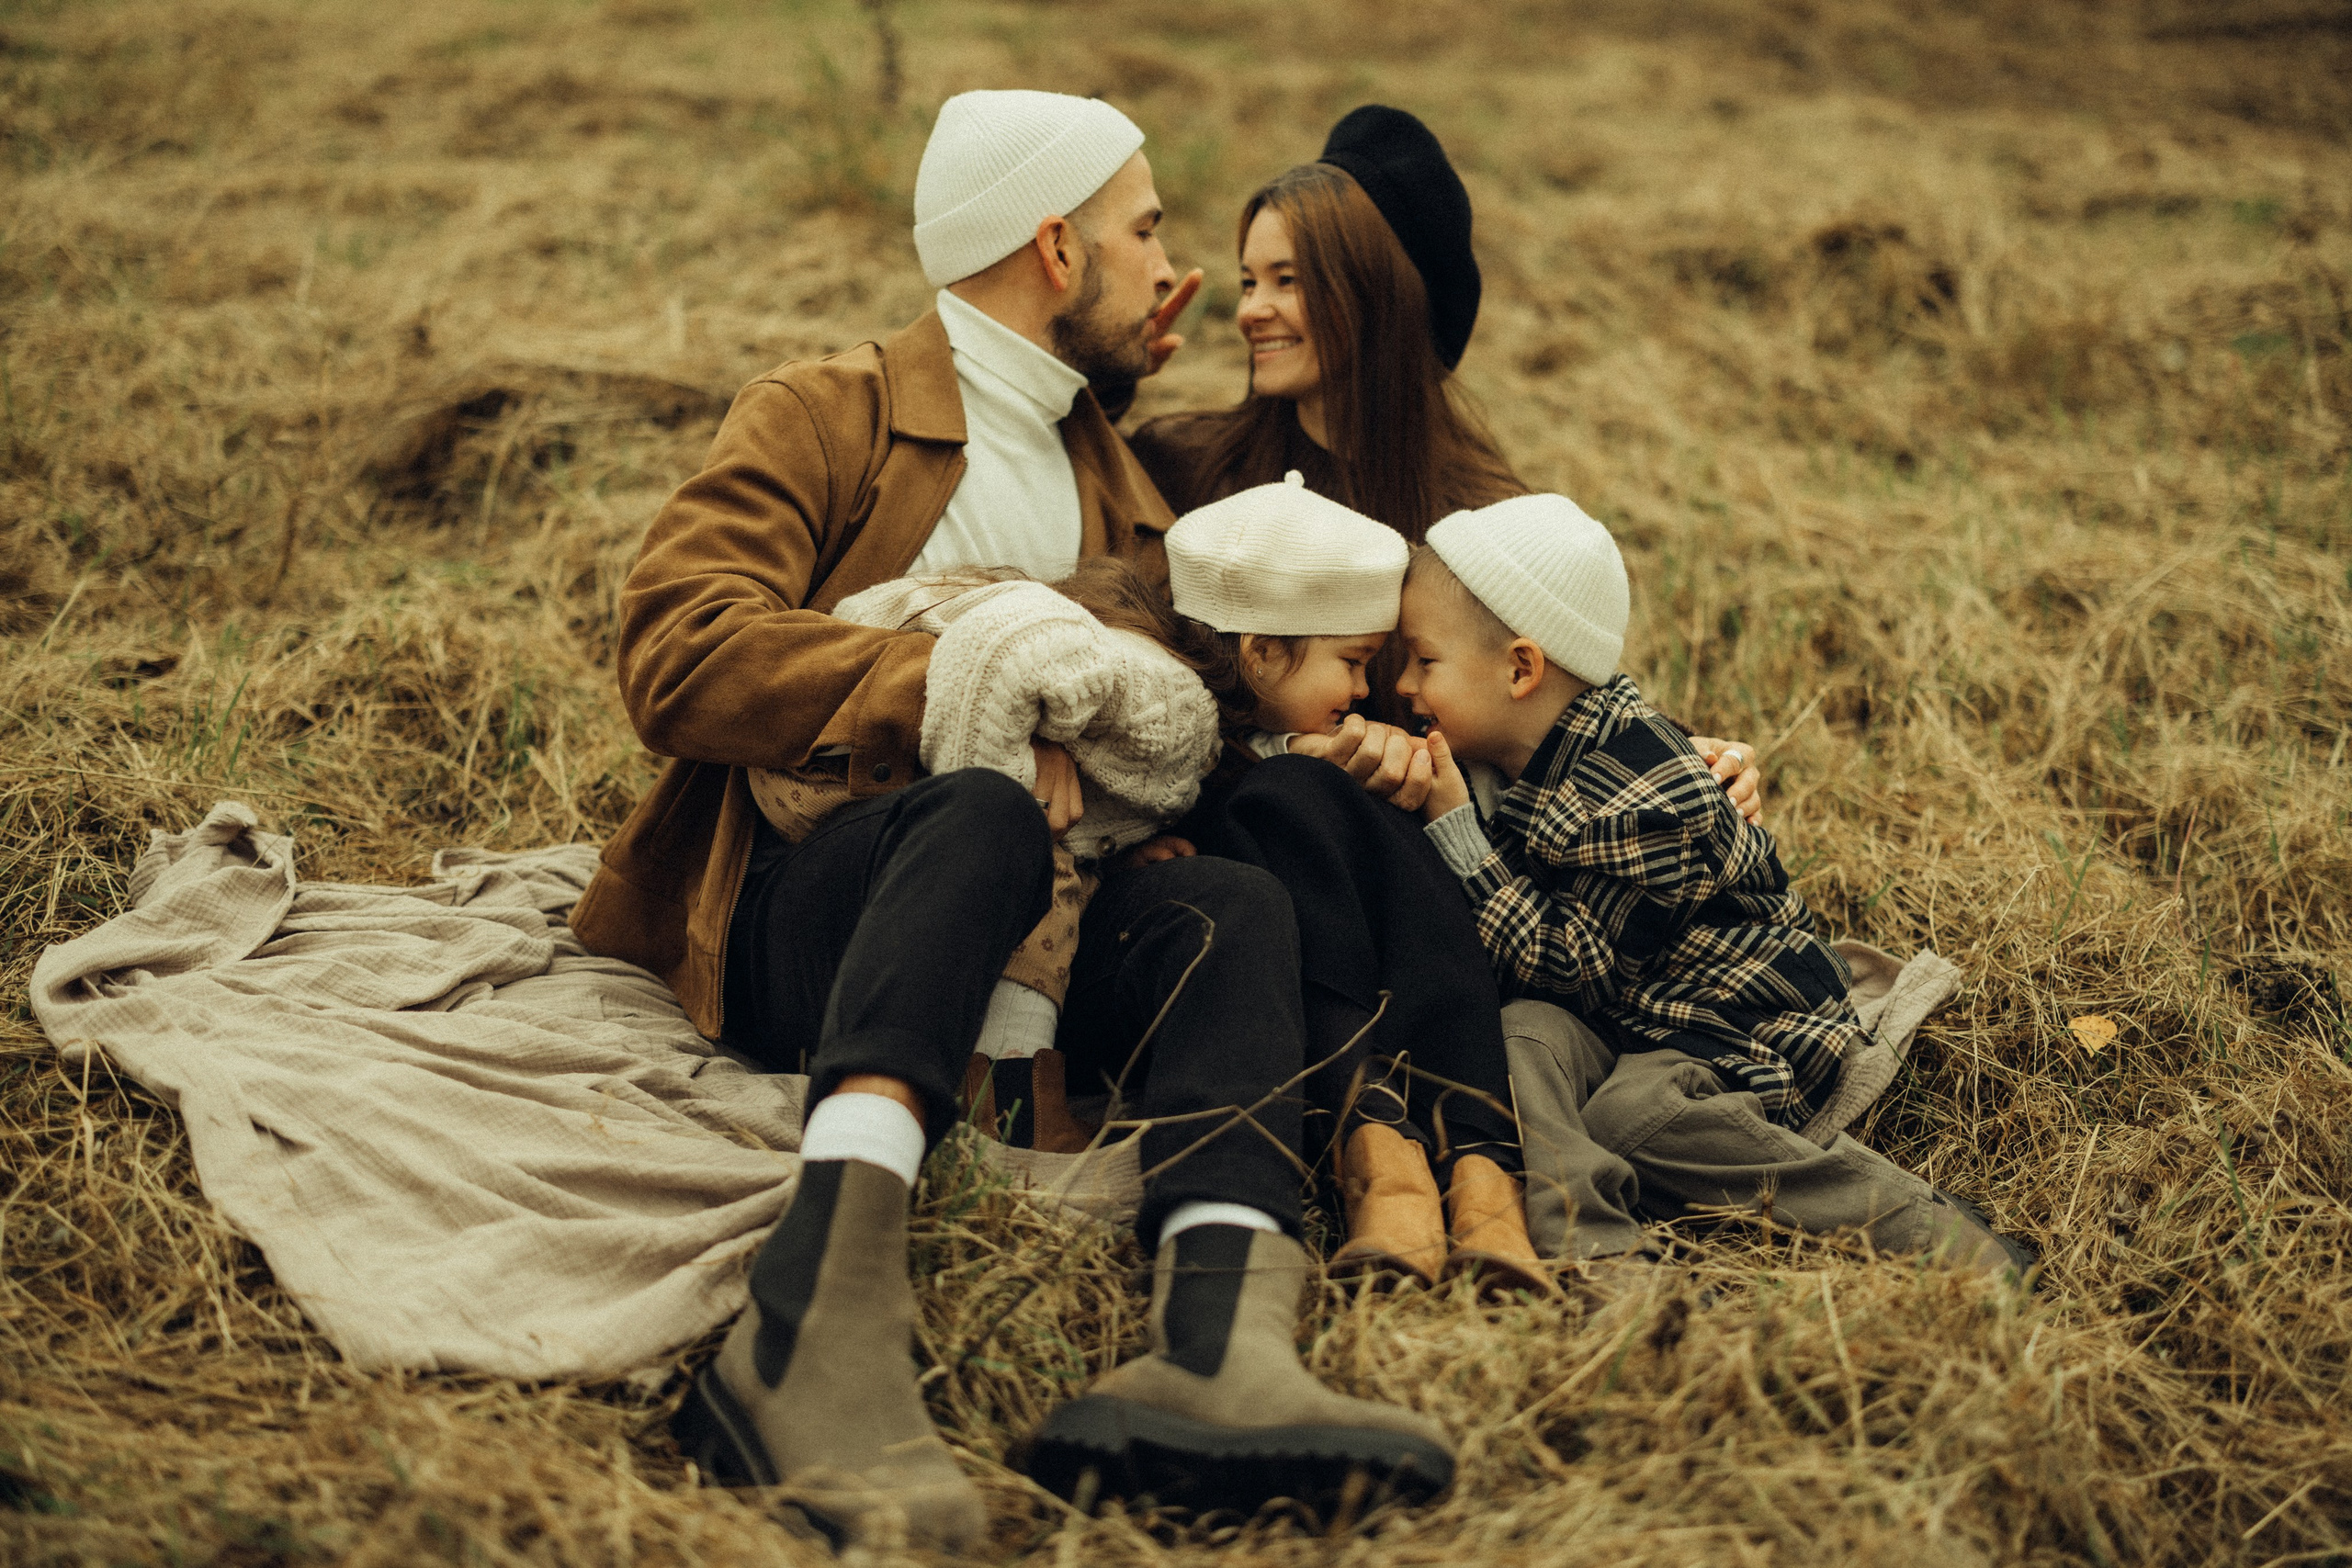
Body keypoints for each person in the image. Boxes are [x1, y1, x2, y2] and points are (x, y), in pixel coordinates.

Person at [572, 89, 1450, 1549]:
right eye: (1145, 231)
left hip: (1055, 917)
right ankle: (806, 1330)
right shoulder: (827, 411)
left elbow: (1207, 663)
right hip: (818, 908)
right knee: (980, 806)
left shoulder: (1124, 484)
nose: (1173, 269)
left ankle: (1217, 1344)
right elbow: (675, 650)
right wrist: (961, 683)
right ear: (1056, 248)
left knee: (1232, 908)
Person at [1395, 494, 2027, 1274]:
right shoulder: (1525, 755)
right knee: (1523, 1036)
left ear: (1521, 668)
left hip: (1732, 1020)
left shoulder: (1642, 798)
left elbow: (1568, 968)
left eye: (1424, 661)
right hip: (1635, 1013)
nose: (1404, 684)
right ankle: (1592, 1246)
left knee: (1634, 1115)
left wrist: (1459, 831)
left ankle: (1931, 1233)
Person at [1120, 103, 1769, 815]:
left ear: (1373, 294)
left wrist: (1690, 753)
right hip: (1220, 816)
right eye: (1249, 282)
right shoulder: (1187, 463)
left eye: (1288, 280)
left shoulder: (1476, 512)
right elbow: (1121, 648)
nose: (1250, 311)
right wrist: (1107, 382)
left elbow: (1553, 693)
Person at [1139, 474, 1544, 1292]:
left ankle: (1453, 1169)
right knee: (1276, 800)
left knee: (1308, 796)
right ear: (1260, 653)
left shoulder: (1335, 743)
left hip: (1379, 949)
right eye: (1354, 662)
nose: (1366, 689)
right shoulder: (1147, 725)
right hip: (1213, 958)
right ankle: (1411, 1161)